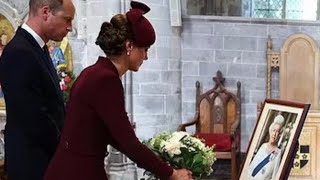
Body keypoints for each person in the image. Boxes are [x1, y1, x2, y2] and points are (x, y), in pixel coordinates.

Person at [44, 1, 193, 180]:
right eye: (145, 49)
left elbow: (117, 137)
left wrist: (157, 162)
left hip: (72, 168)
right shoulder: (106, 80)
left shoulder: (95, 72)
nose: (146, 56)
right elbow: (127, 142)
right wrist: (172, 174)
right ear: (129, 46)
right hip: (78, 171)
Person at [0, 0, 75, 179]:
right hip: (33, 163)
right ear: (46, 12)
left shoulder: (37, 48)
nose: (70, 28)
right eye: (67, 19)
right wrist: (66, 148)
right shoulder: (20, 52)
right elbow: (34, 118)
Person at [247, 114, 285, 180]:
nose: (274, 134)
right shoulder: (263, 146)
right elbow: (252, 165)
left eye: (277, 132)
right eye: (274, 130)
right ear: (270, 131)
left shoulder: (278, 152)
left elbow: (275, 176)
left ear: (279, 135)